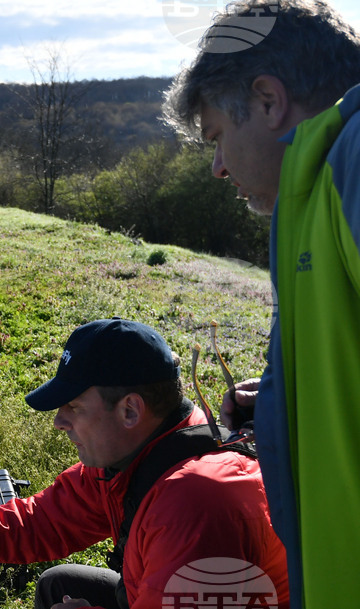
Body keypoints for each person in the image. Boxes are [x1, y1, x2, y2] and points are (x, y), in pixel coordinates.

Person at [0, 319, 288, 609]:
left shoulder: (198, 507)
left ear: (130, 410)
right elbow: (44, 522)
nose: (58, 423)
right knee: (59, 584)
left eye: (72, 406)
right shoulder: (139, 455)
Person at [162, 2, 360, 607]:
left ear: (269, 100)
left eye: (218, 136)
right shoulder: (309, 194)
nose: (218, 167)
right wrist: (284, 398)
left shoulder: (354, 159)